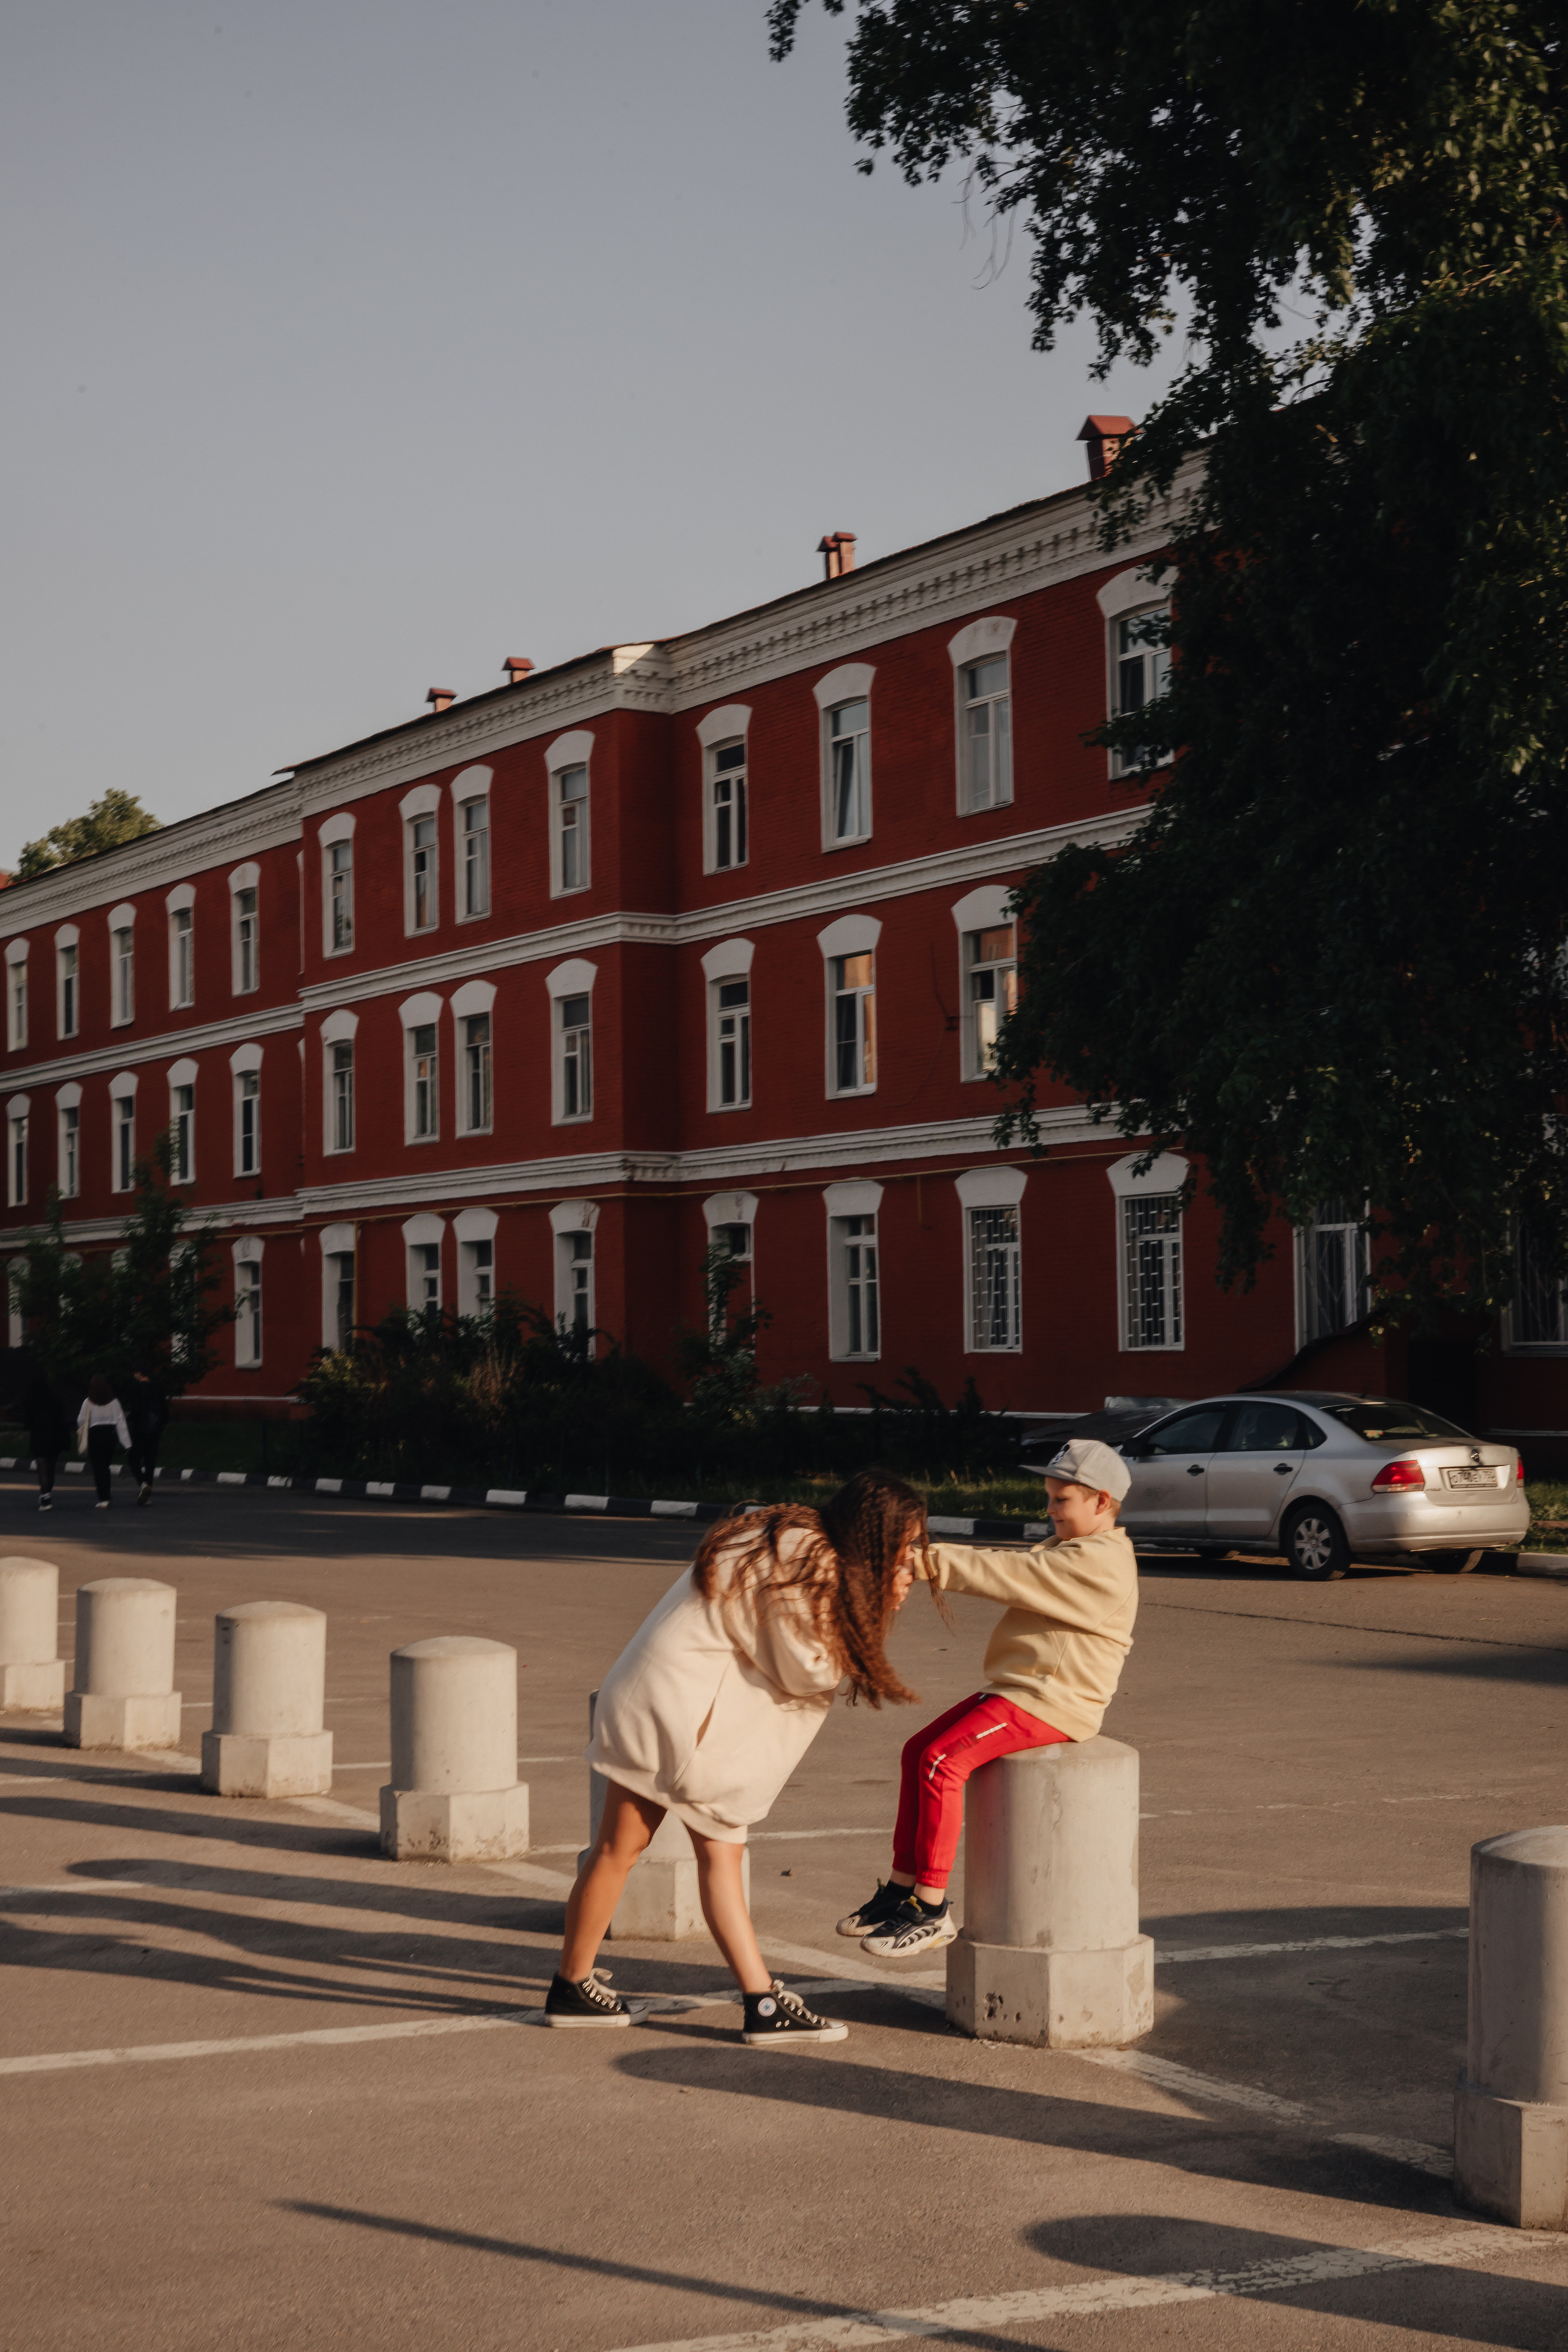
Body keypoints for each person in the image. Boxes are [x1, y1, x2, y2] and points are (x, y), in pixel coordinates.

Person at [546, 1468, 925, 2042]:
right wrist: (881, 1606)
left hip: (653, 1698)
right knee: (716, 1859)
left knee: (617, 1849)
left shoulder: (787, 1533)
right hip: (686, 1723)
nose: (908, 1562)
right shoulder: (808, 1564)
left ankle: (572, 1986)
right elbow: (807, 1668)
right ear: (876, 1536)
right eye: (903, 1547)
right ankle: (762, 2003)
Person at [836, 1436, 1139, 1960]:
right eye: (1049, 1496)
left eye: (1061, 1499)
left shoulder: (1102, 1562)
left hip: (1054, 1701)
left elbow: (1007, 1573)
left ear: (1102, 1502)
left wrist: (923, 1560)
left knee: (940, 1764)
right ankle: (900, 1890)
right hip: (1019, 1689)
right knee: (916, 1752)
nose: (1050, 1510)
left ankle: (930, 1909)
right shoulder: (1073, 1549)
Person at [77, 1374, 132, 1510]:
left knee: (98, 1468)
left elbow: (81, 1420)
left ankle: (103, 1498)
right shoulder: (114, 1402)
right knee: (105, 1466)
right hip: (110, 1436)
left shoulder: (88, 1402)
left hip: (95, 1436)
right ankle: (107, 1494)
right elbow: (121, 1423)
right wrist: (127, 1443)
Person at [22, 1370, 72, 1511]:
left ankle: (45, 1498)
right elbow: (63, 1421)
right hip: (55, 1440)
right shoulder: (56, 1402)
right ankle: (48, 1493)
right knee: (51, 1469)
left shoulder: (32, 1403)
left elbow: (28, 1423)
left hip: (40, 1439)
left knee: (43, 1470)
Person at [124, 1372, 168, 1506]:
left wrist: (127, 1419)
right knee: (150, 1463)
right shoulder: (159, 1387)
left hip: (139, 1431)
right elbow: (165, 1410)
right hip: (154, 1431)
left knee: (133, 1460)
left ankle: (143, 1484)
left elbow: (135, 1410)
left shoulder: (135, 1388)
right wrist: (160, 1426)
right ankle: (147, 1497)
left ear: (138, 1374)